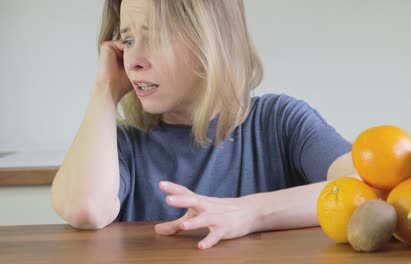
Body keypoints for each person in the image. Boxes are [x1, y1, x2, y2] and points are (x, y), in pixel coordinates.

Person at [51, 0, 357, 250]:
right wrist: (104, 89)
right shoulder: (120, 146)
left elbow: (363, 186)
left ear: (210, 40)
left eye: (155, 37)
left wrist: (248, 213)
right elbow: (86, 208)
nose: (133, 61)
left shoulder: (280, 121)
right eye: (128, 41)